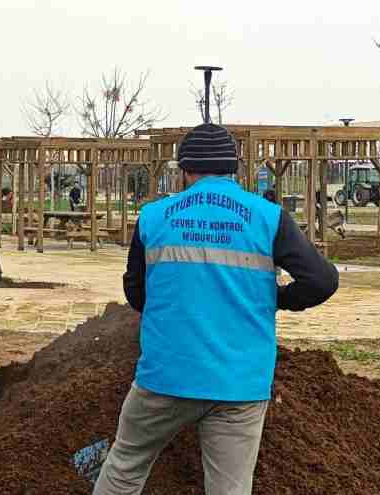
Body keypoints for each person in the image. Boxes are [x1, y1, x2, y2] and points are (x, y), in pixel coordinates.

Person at [94, 123, 339, 495]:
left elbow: (135, 292)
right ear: (234, 169)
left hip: (165, 376)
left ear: (184, 169)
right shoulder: (267, 217)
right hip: (240, 382)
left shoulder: (154, 217)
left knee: (125, 466)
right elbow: (321, 281)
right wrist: (273, 299)